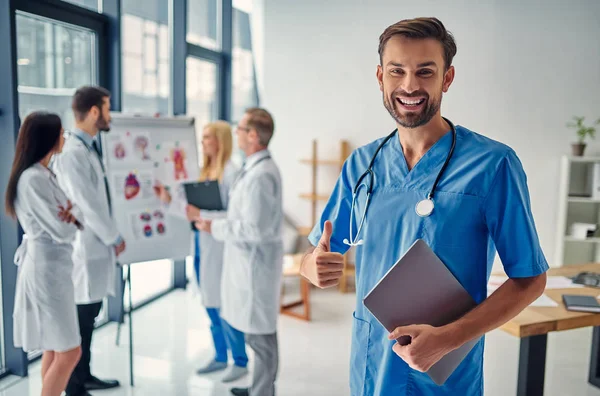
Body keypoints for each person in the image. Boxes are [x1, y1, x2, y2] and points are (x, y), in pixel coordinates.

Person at [299, 17, 548, 396]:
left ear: (447, 78)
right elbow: (318, 253)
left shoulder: (493, 165)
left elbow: (530, 279)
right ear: (380, 77)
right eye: (397, 71)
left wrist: (448, 338)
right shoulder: (362, 164)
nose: (410, 85)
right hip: (373, 364)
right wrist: (312, 267)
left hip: (444, 372)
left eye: (425, 72)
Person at [194, 108, 283, 396]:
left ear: (253, 135)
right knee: (255, 335)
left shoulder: (261, 176)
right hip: (246, 265)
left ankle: (263, 391)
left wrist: (214, 227)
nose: (237, 133)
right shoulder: (254, 168)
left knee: (262, 339)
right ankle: (258, 386)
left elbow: (255, 230)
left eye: (241, 128)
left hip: (255, 268)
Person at [154, 121, 249, 382]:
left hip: (221, 246)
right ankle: (220, 356)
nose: (203, 141)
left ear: (220, 140)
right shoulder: (206, 171)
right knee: (210, 304)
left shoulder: (231, 173)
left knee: (224, 305)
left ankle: (239, 360)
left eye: (208, 137)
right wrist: (168, 200)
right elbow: (191, 213)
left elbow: (234, 215)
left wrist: (202, 214)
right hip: (201, 244)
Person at [53, 86, 124, 396]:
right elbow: (88, 203)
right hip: (85, 247)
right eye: (107, 109)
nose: (109, 115)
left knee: (89, 317)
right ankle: (75, 386)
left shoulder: (88, 147)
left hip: (95, 246)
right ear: (95, 112)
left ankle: (85, 376)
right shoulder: (72, 153)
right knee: (81, 321)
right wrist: (114, 236)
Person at [5, 112, 83, 396]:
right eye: (61, 132)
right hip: (46, 271)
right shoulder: (32, 180)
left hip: (56, 268)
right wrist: (71, 218)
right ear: (47, 138)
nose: (64, 137)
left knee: (54, 346)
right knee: (70, 351)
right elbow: (65, 230)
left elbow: (75, 216)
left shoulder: (47, 173)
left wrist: (71, 217)